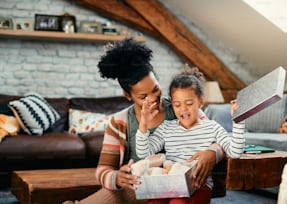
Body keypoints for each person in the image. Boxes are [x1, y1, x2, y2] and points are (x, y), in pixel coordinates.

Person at [63, 39, 224, 204]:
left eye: (155, 89)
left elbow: (216, 137)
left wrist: (212, 153)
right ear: (128, 96)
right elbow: (103, 170)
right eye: (143, 96)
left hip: (181, 184)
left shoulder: (179, 106)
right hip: (139, 187)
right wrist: (117, 178)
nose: (153, 98)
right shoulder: (119, 122)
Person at [135, 65, 245, 204]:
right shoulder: (166, 128)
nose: (183, 109)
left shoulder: (212, 127)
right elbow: (144, 153)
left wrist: (238, 122)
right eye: (177, 104)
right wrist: (143, 123)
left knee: (178, 202)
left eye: (189, 103)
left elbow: (235, 152)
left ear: (200, 102)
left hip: (199, 186)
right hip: (169, 186)